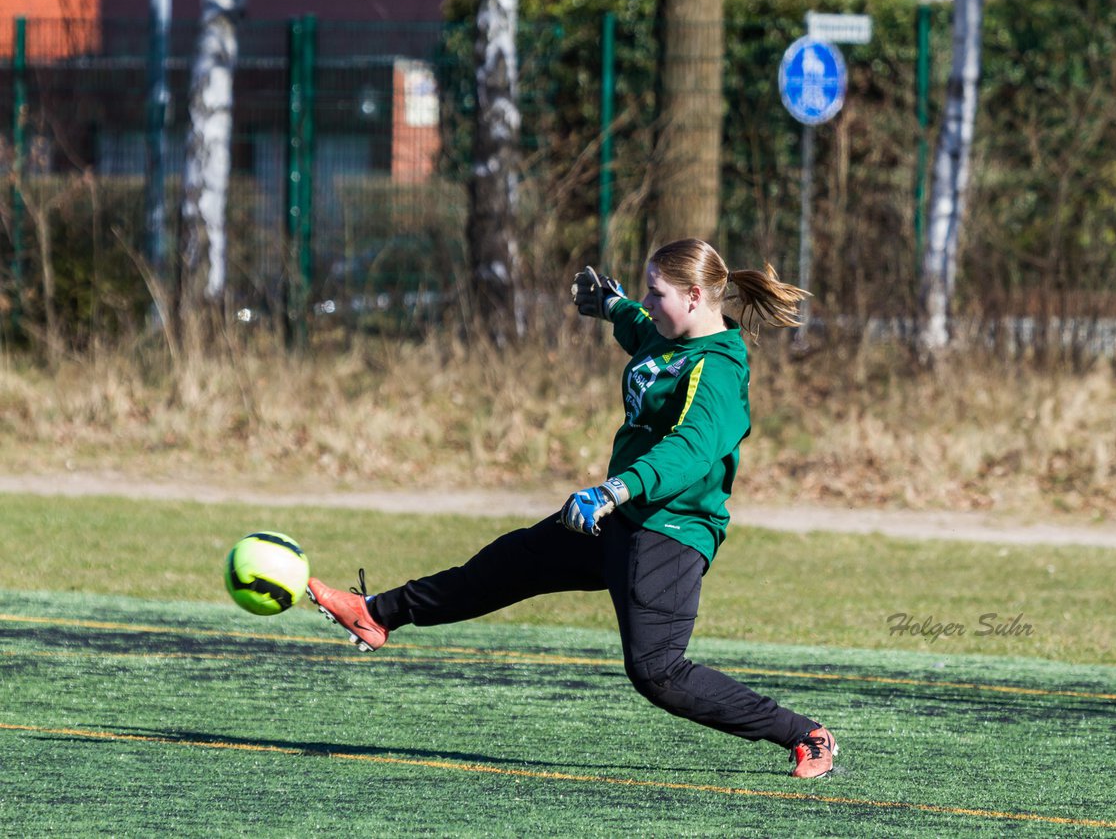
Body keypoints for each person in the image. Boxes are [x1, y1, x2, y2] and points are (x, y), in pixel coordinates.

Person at [307, 238, 838, 779]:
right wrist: (612, 304)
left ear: (696, 296)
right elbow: (641, 328)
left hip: (669, 532)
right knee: (505, 564)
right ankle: (376, 613)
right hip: (620, 519)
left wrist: (614, 490)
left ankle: (805, 734)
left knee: (658, 673)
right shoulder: (667, 334)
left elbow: (689, 450)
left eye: (657, 293)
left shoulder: (719, 370)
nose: (649, 303)